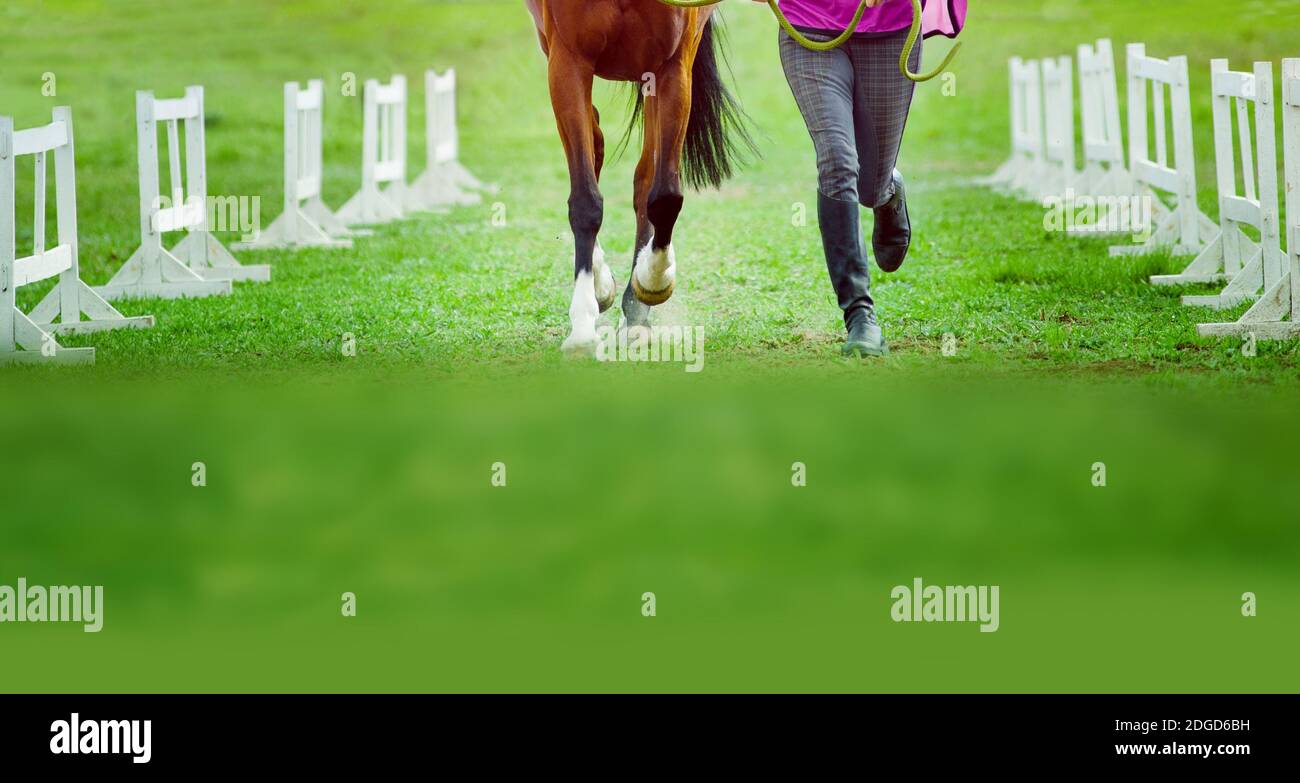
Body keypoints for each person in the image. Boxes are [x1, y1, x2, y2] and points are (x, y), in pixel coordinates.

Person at [770, 0, 921, 357]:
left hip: (890, 29)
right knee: (838, 160)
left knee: (868, 186)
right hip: (807, 23)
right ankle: (860, 315)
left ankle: (886, 191)